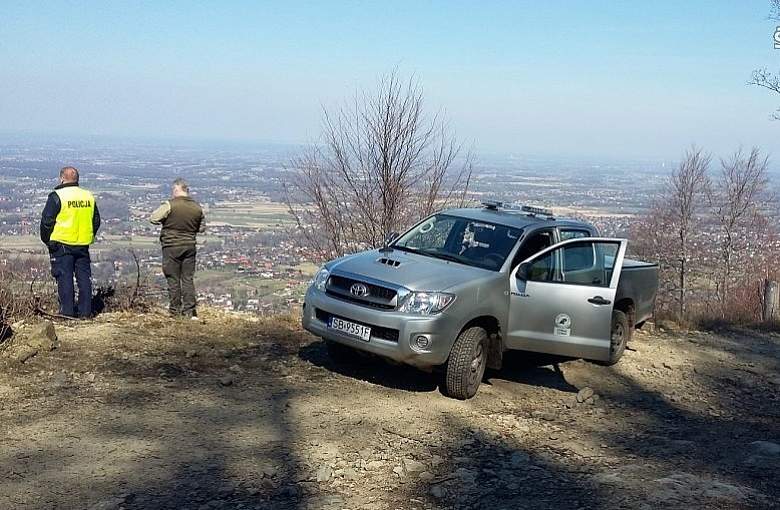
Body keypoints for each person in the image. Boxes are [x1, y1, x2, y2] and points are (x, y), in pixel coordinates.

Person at [40, 166, 101, 318]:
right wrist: (88, 235)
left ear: (61, 178)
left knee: (64, 278)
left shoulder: (57, 196)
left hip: (61, 244)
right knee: (84, 279)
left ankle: (67, 314)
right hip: (82, 244)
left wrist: (47, 240)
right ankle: (85, 313)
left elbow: (47, 221)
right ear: (77, 179)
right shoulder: (88, 196)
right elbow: (96, 221)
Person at [150, 178, 204, 319]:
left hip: (171, 246)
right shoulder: (197, 207)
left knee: (173, 278)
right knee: (187, 279)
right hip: (189, 246)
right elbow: (202, 228)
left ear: (176, 189)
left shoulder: (170, 205)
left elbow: (154, 218)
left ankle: (175, 312)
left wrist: (168, 221)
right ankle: (190, 312)